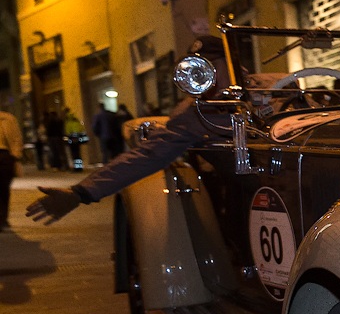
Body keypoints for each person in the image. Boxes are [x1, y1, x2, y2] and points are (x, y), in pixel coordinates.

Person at [26, 36, 230, 225]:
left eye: (210, 68)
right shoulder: (194, 113)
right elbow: (147, 155)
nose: (204, 79)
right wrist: (80, 193)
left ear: (230, 65)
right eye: (195, 71)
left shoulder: (259, 93)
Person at [0, 108, 23, 229]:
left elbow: (16, 138)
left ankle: (3, 217)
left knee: (4, 188)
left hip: (5, 156)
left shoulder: (8, 118)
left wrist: (15, 155)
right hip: (5, 157)